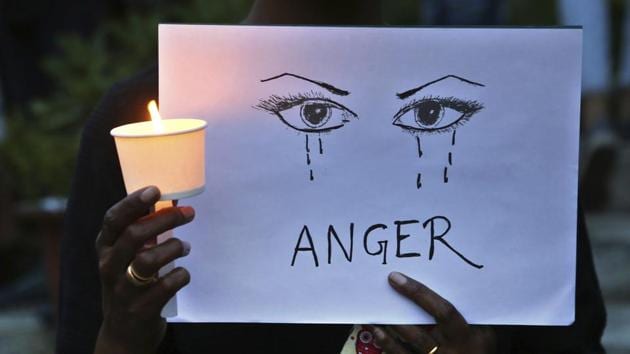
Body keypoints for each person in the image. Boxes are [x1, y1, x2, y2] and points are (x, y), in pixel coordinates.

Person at [56, 1, 607, 353]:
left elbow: (575, 341)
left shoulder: (516, 109)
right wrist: (124, 336)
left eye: (435, 117)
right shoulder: (141, 126)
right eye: (309, 114)